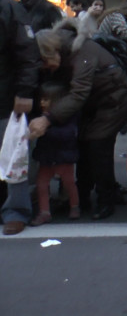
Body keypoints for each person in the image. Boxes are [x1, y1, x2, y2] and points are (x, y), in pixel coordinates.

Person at [31, 18, 127, 220]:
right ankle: (84, 197)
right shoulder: (66, 50)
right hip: (99, 100)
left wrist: (48, 118)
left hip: (114, 100)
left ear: (52, 51)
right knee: (85, 146)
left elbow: (79, 93)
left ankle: (106, 199)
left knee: (97, 146)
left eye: (46, 62)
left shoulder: (82, 51)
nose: (46, 68)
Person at [0, 0, 41, 236]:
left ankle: (16, 210)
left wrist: (24, 92)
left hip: (6, 97)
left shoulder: (8, 8)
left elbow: (28, 53)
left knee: (15, 156)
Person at [30, 82, 80, 226]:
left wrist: (46, 130)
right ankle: (45, 211)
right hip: (47, 157)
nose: (42, 103)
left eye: (46, 99)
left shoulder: (65, 117)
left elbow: (68, 134)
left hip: (64, 157)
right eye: (41, 99)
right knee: (41, 184)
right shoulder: (41, 117)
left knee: (69, 183)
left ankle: (74, 205)